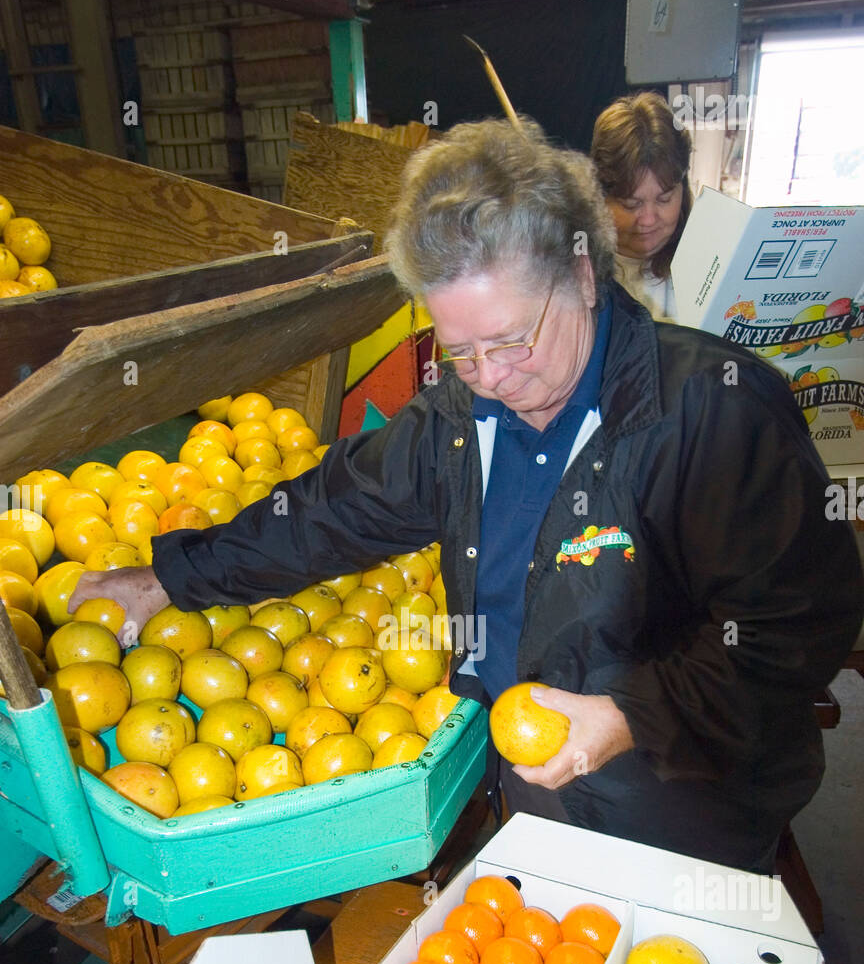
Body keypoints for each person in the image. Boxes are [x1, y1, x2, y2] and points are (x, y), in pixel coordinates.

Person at [69, 117, 863, 875]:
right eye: (461, 351)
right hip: (521, 793)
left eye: (512, 340)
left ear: (583, 275)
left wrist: (630, 715)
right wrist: (172, 576)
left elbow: (792, 628)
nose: (491, 377)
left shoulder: (712, 413)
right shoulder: (460, 417)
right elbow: (333, 511)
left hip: (679, 813)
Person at [590, 91, 692, 323]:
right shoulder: (577, 268)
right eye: (631, 204)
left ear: (682, 191)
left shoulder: (706, 261)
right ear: (600, 197)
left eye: (664, 199)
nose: (647, 220)